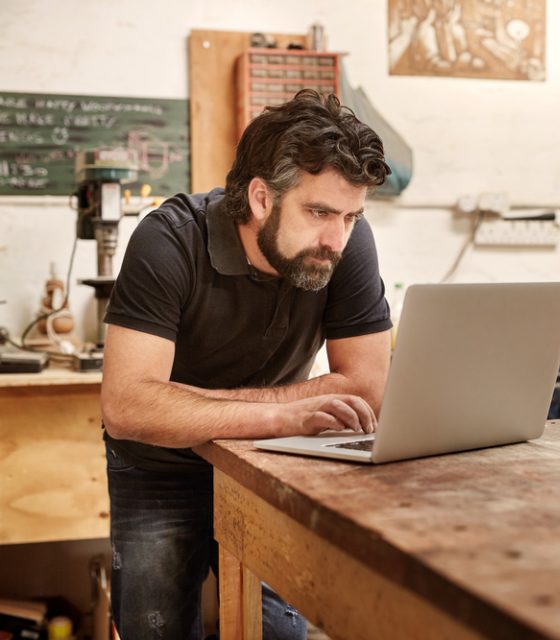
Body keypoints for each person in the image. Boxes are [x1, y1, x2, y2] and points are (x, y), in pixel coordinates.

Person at [100, 89, 393, 639]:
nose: (337, 238)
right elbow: (128, 406)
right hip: (160, 465)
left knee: (278, 634)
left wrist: (195, 405)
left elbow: (367, 388)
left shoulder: (344, 244)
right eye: (319, 212)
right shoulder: (168, 241)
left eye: (352, 216)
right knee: (153, 631)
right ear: (261, 197)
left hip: (270, 461)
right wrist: (284, 414)